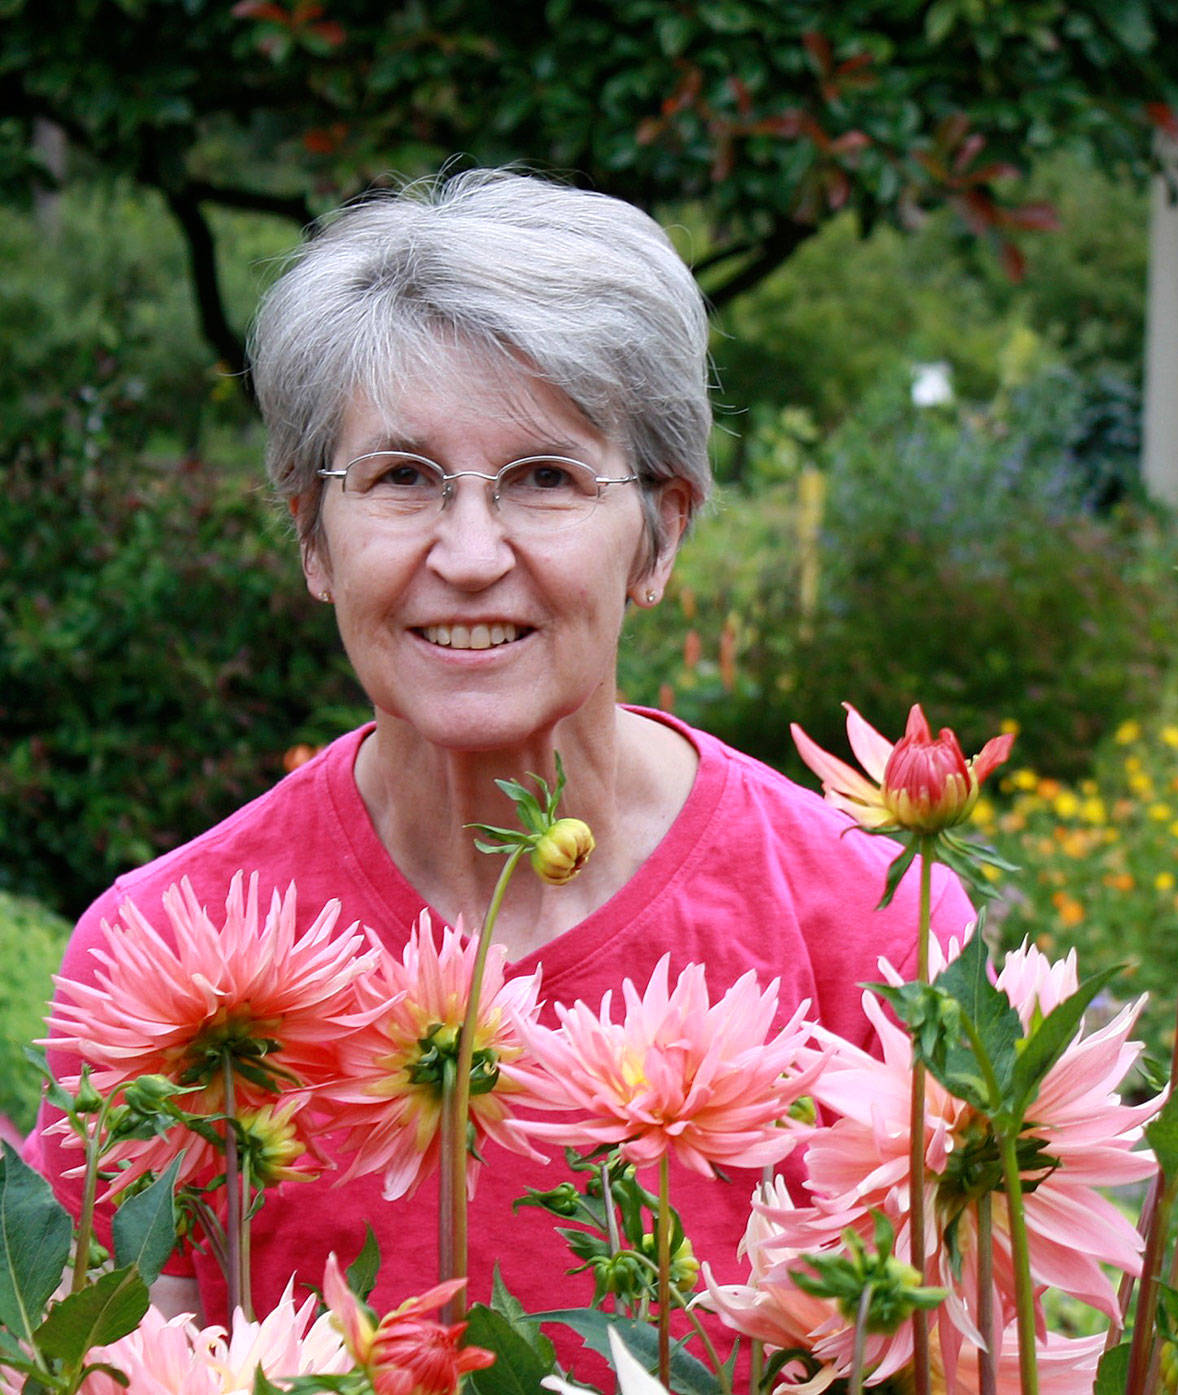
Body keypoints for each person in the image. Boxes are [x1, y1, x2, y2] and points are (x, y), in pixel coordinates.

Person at [34, 169, 972, 1355]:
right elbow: (101, 1364)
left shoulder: (866, 926)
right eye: (399, 478)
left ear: (662, 531)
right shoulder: (160, 961)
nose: (469, 555)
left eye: (544, 478)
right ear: (311, 539)